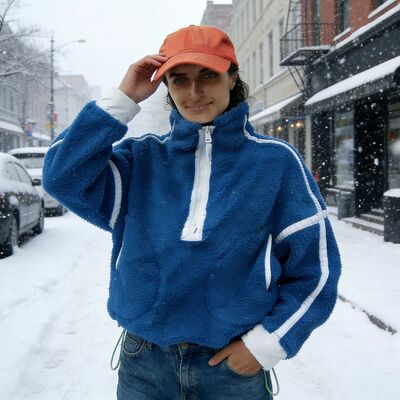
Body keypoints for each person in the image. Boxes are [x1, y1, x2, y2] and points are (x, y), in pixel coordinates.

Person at [43, 25, 341, 400]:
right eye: (179, 80)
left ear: (232, 77)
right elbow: (61, 176)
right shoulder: (140, 159)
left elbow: (315, 270)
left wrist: (268, 344)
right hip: (145, 364)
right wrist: (123, 98)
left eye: (208, 76)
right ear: (166, 87)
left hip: (232, 369)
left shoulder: (275, 163)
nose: (194, 92)